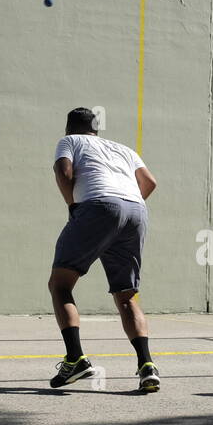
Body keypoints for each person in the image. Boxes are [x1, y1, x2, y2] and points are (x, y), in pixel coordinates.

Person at [49, 107, 160, 392]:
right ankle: (146, 365)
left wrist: (73, 206)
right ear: (96, 129)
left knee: (60, 285)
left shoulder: (70, 141)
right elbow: (149, 182)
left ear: (68, 126)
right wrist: (124, 206)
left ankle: (75, 358)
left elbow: (63, 171)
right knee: (127, 294)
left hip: (97, 207)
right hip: (136, 210)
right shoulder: (123, 149)